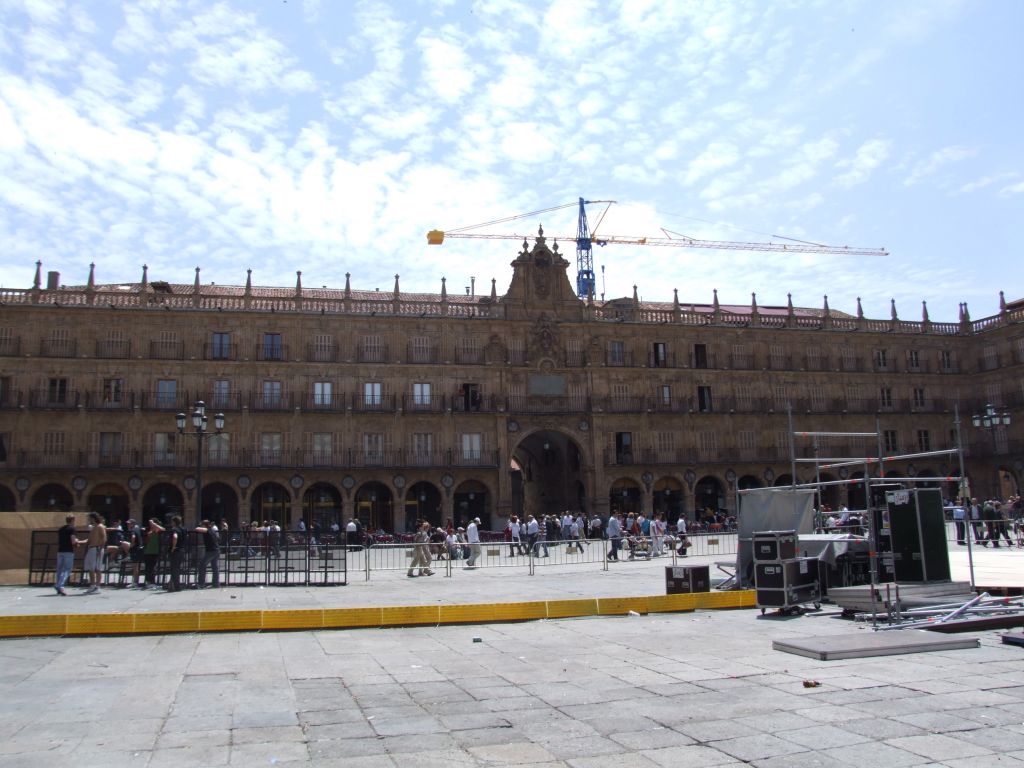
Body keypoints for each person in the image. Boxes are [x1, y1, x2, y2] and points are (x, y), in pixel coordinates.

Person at [54, 513, 81, 595]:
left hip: (60, 550)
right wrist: (77, 542)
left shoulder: (61, 529)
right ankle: (60, 586)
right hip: (68, 551)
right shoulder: (72, 529)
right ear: (73, 520)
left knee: (59, 569)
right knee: (67, 569)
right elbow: (73, 541)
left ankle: (58, 585)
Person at [82, 512, 107, 594]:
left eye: (90, 518)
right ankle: (93, 585)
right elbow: (89, 540)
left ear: (93, 518)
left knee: (96, 568)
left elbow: (104, 538)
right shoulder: (93, 528)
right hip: (92, 549)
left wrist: (100, 549)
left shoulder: (100, 527)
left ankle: (97, 586)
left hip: (97, 549)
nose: (89, 520)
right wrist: (79, 542)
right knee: (91, 568)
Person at [194, 519, 220, 588]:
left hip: (211, 551)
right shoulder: (212, 530)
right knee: (215, 568)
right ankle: (216, 584)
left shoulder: (207, 530)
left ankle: (201, 583)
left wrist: (199, 526)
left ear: (204, 525)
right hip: (216, 550)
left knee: (202, 565)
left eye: (202, 525)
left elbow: (197, 529)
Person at [142, 517, 164, 589]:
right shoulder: (150, 531)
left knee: (152, 567)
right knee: (149, 568)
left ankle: (151, 582)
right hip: (149, 551)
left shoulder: (157, 529)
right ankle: (149, 582)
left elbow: (163, 529)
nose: (150, 524)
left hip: (154, 551)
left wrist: (153, 523)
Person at [166, 515, 187, 591]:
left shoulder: (174, 529)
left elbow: (175, 537)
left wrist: (173, 547)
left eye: (172, 521)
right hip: (182, 550)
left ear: (174, 522)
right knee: (177, 568)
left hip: (176, 550)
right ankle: (172, 585)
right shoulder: (184, 529)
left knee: (174, 569)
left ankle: (176, 586)